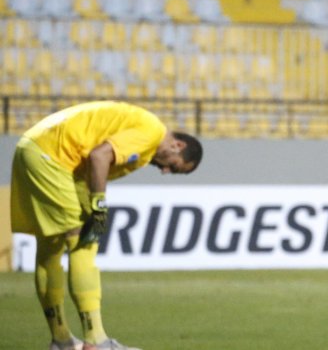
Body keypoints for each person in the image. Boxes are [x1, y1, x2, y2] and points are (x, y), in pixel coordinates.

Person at [10, 101, 203, 350]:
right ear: (178, 145)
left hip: (37, 149)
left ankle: (61, 340)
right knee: (83, 244)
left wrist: (92, 210)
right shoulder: (151, 133)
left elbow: (89, 161)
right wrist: (99, 206)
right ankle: (96, 341)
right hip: (53, 157)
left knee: (50, 247)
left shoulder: (143, 136)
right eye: (172, 166)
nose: (165, 171)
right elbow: (99, 156)